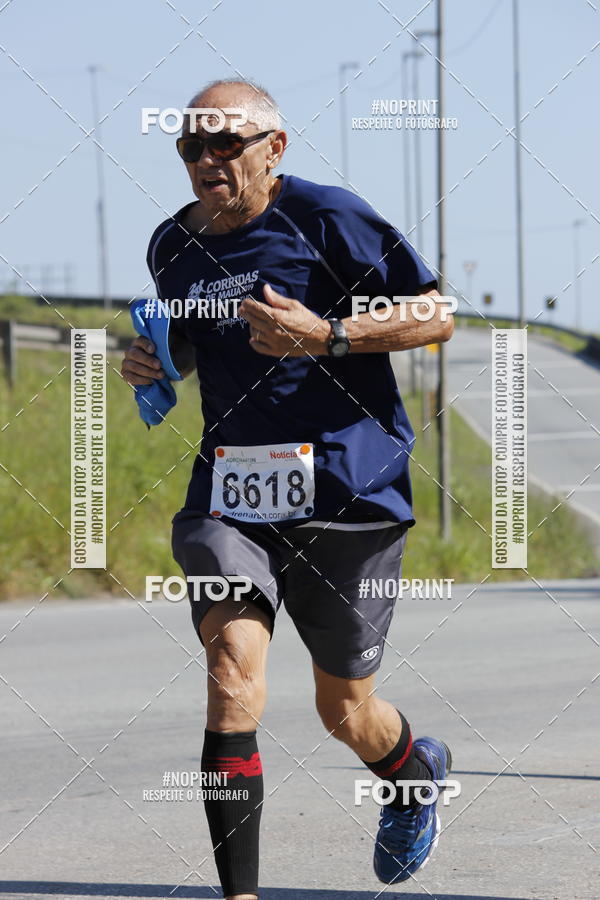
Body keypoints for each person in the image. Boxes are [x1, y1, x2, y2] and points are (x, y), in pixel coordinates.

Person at [122, 78, 454, 900]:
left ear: (273, 148)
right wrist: (154, 364)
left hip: (350, 489)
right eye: (190, 147)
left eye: (223, 145)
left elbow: (436, 313)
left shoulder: (327, 216)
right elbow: (192, 346)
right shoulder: (172, 246)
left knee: (345, 710)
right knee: (232, 671)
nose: (205, 161)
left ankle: (412, 771)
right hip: (230, 494)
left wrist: (331, 334)